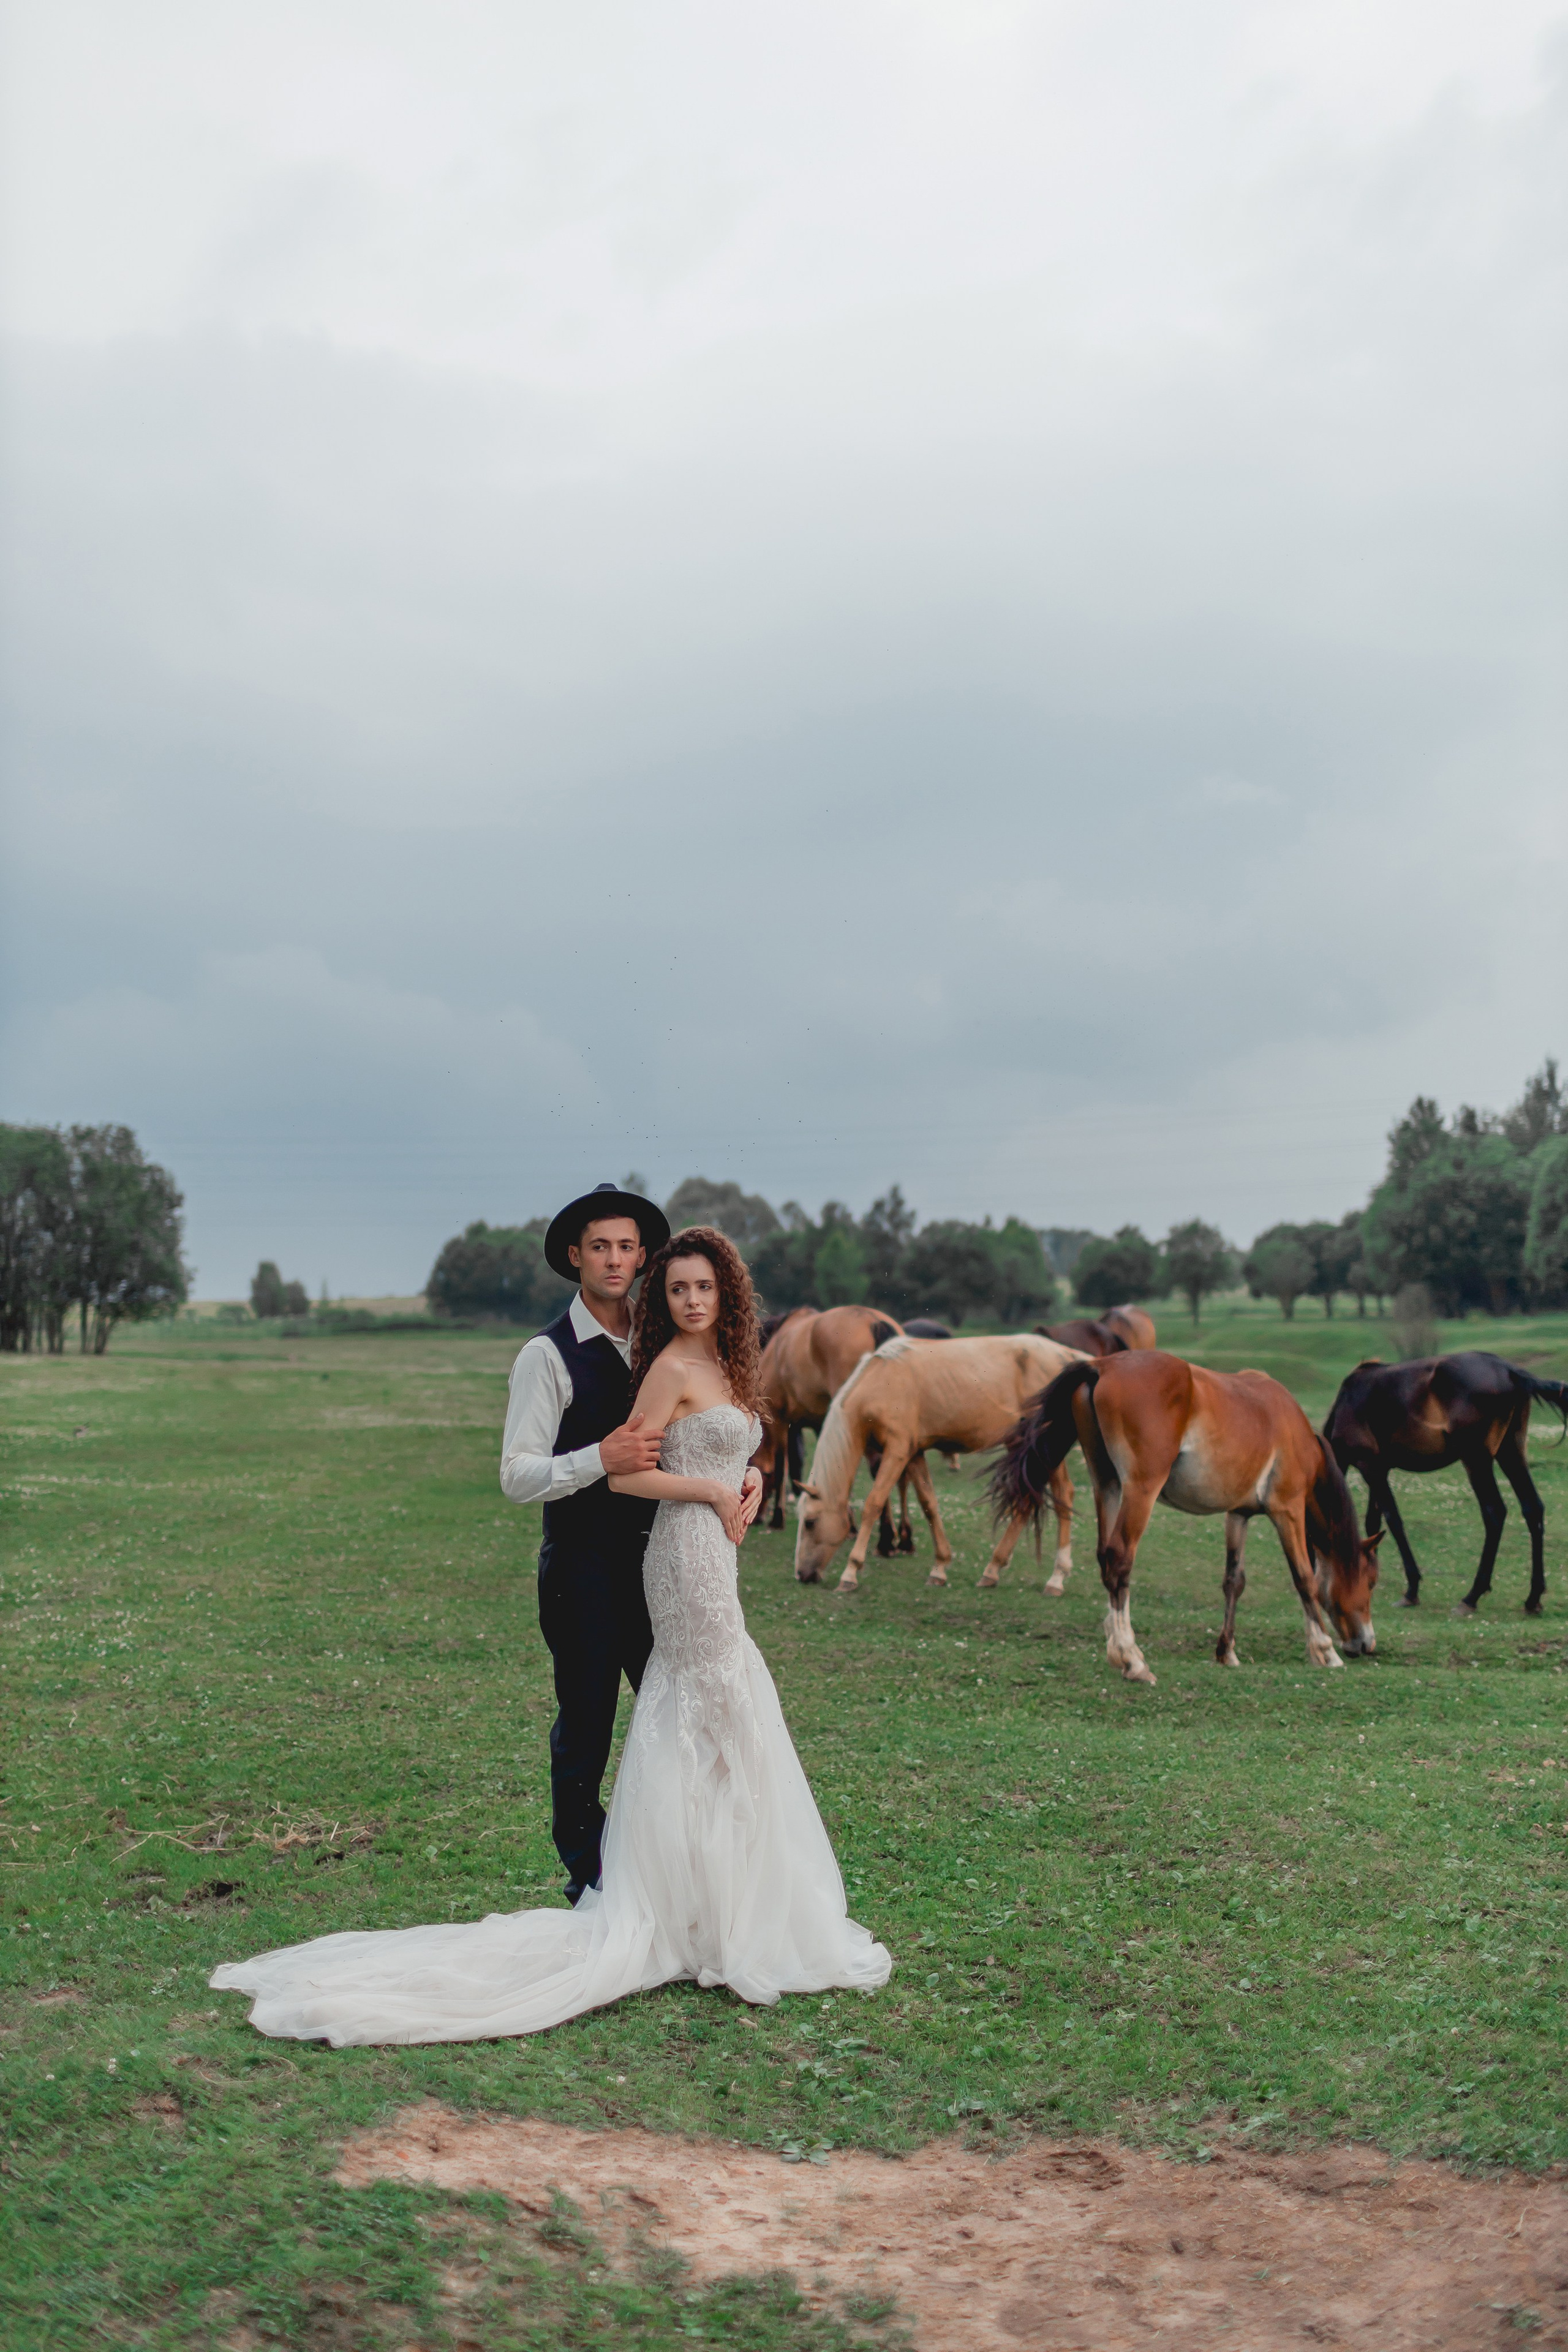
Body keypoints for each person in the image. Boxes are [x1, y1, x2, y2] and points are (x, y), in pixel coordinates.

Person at [209, 1222, 890, 2043]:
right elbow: (521, 1472)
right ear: (578, 1257)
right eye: (602, 1248)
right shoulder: (552, 1355)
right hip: (588, 1565)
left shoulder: (661, 1342)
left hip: (672, 1561)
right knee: (594, 1723)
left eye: (630, 1249)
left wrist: (741, 1476)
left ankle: (707, 1892)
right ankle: (598, 1882)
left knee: (682, 1721)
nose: (620, 1262)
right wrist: (605, 1459)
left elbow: (710, 1438)